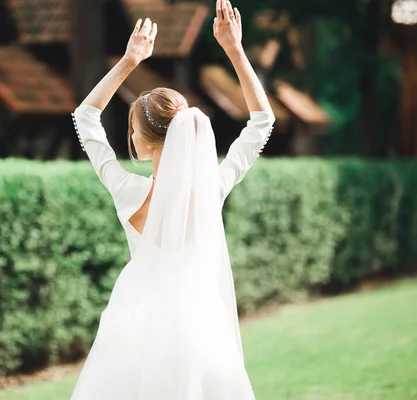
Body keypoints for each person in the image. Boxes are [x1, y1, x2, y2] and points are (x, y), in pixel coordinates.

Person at [70, 1, 274, 398]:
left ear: (142, 141)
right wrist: (234, 49)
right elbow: (262, 121)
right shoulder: (211, 190)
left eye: (132, 130)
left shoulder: (127, 191)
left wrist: (129, 60)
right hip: (198, 330)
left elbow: (85, 117)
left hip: (133, 329)